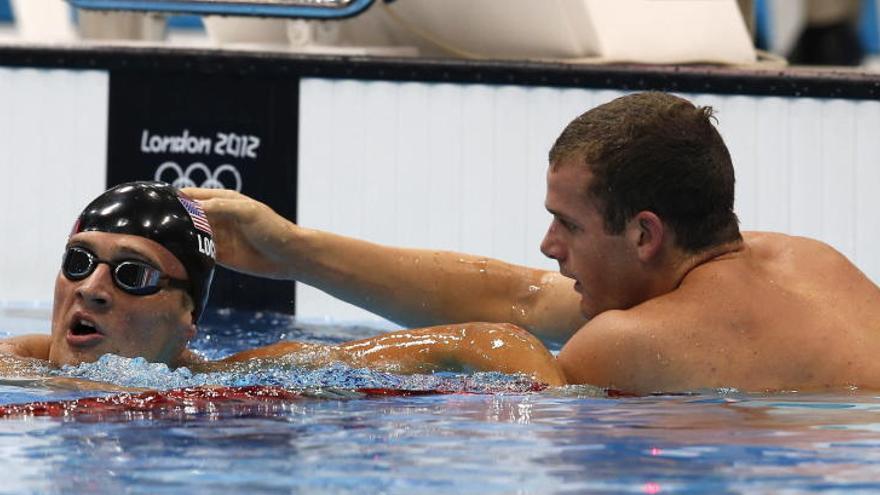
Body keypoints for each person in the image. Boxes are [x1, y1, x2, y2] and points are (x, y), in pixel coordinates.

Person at [187, 92, 880, 395]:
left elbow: (483, 343)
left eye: (569, 224)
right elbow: (518, 294)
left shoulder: (632, 345)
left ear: (644, 233)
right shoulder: (804, 257)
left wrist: (201, 375)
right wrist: (292, 249)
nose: (547, 244)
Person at [0, 182, 564, 388]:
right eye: (78, 262)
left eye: (133, 274)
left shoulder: (233, 382)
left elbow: (496, 343)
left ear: (187, 318)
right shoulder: (12, 369)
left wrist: (554, 412)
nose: (93, 288)